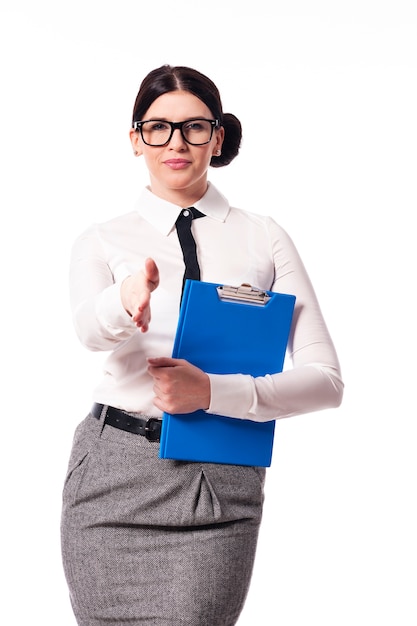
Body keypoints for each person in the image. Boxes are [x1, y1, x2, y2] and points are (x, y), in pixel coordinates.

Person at [61, 64, 344, 626]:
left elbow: (327, 381)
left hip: (220, 475)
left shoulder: (262, 235)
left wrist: (210, 391)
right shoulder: (102, 238)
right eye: (158, 127)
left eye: (194, 127)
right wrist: (126, 298)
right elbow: (89, 332)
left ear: (217, 137)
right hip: (111, 473)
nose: (176, 142)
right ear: (136, 138)